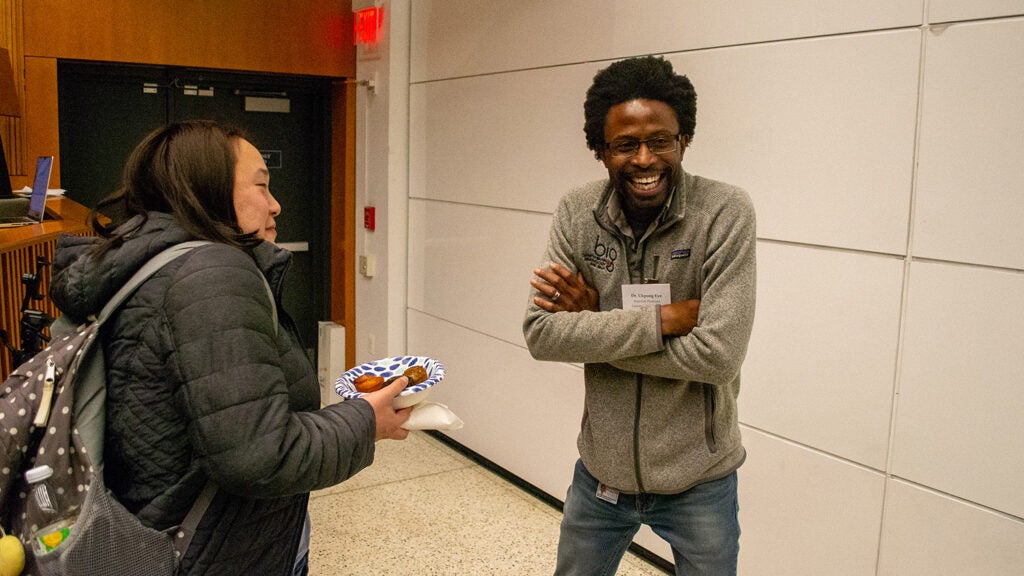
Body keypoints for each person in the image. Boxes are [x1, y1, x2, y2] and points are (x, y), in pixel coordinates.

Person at [49, 120, 412, 575]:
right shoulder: (211, 275)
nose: (275, 204)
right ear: (209, 189)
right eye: (261, 186)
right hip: (215, 549)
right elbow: (258, 456)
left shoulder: (153, 261)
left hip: (159, 525)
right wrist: (365, 420)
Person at [523, 56, 756, 576]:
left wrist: (593, 327)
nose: (645, 158)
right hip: (600, 476)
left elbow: (718, 356)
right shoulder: (577, 212)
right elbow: (541, 334)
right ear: (601, 150)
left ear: (684, 140)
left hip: (701, 480)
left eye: (662, 140)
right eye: (626, 144)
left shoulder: (725, 213)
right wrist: (667, 319)